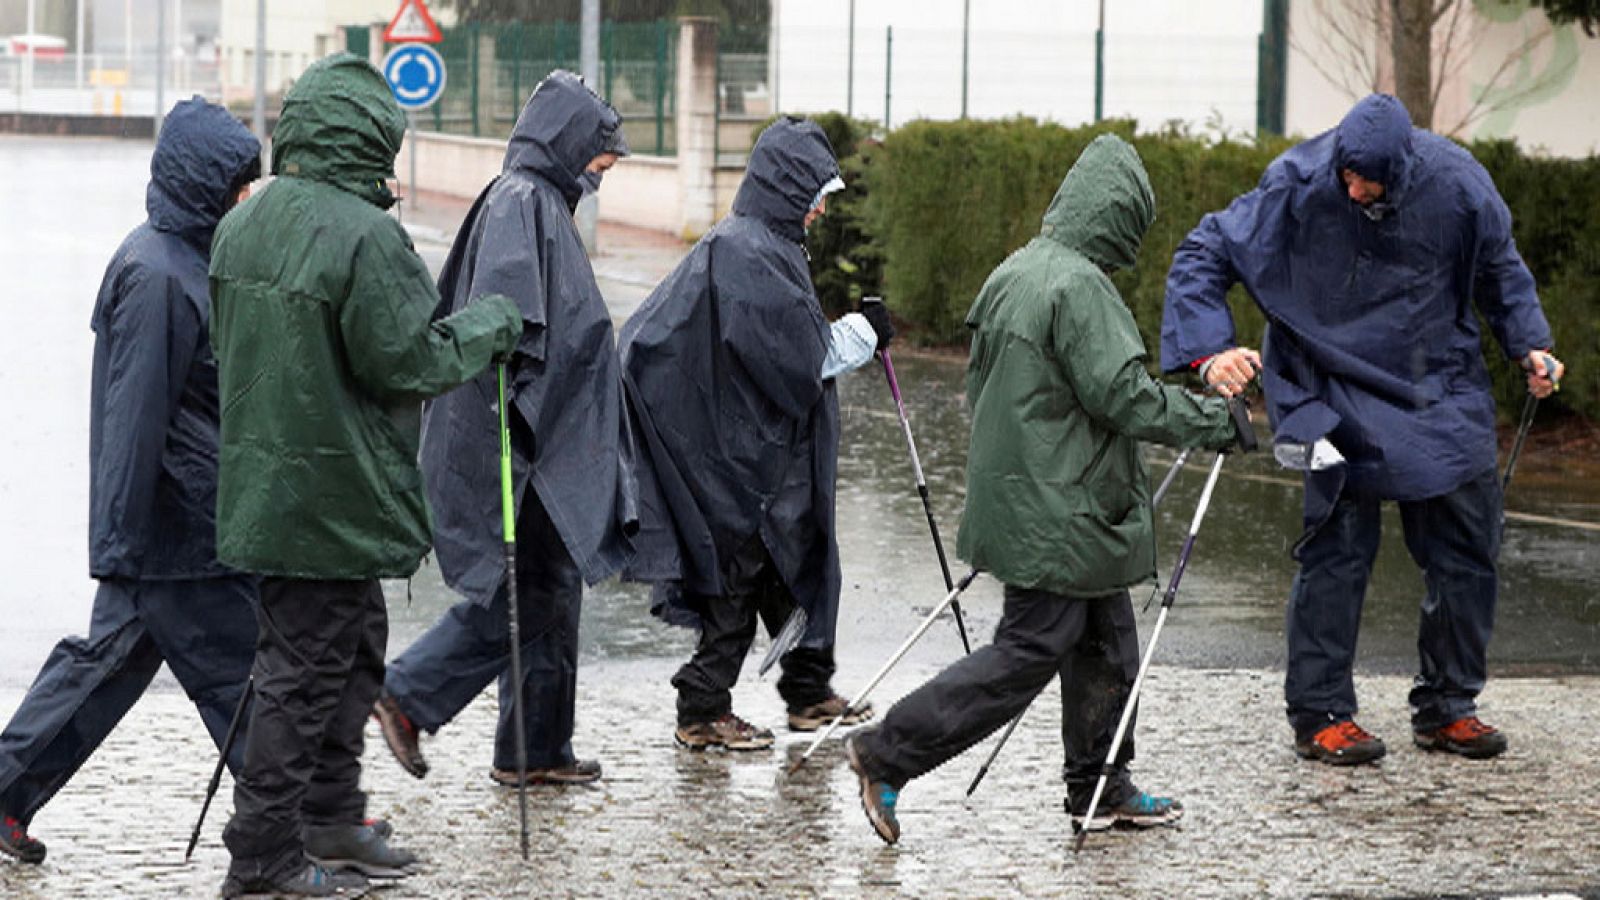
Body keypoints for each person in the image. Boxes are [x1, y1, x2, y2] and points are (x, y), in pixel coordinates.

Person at [844, 134, 1245, 845]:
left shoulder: (1017, 271)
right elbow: (1124, 397)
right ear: (1117, 217)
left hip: (1049, 505)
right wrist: (1215, 421)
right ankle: (887, 751)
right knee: (1029, 651)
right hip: (1065, 511)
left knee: (1108, 646)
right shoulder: (1081, 287)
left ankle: (1101, 786)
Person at [1159, 93, 1564, 766]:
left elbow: (1500, 271)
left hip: (1433, 380)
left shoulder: (1460, 183)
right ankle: (1320, 712)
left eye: (1367, 180)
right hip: (1322, 384)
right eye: (1345, 174)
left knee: (1469, 546)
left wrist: (1530, 344)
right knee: (1337, 549)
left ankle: (1448, 705)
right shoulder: (1299, 181)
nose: (1352, 189)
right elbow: (1206, 250)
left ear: (1403, 167)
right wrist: (1210, 352)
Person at [209, 54, 522, 898]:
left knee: (347, 657)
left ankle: (332, 815)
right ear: (366, 138)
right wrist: (492, 325)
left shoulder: (244, 222)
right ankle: (263, 858)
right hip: (333, 497)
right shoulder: (364, 233)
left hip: (276, 494)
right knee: (301, 678)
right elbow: (408, 359)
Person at [0, 98, 261, 866]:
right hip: (172, 532)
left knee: (103, 673)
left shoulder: (183, 259)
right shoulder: (157, 273)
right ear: (204, 183)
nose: (247, 197)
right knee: (242, 674)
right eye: (238, 184)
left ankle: (5, 793)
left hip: (171, 527)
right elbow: (132, 419)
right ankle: (299, 822)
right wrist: (119, 542)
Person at [372, 71, 634, 788]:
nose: (602, 171)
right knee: (532, 595)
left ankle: (535, 750)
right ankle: (409, 693)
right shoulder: (524, 202)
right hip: (529, 447)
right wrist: (522, 444)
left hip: (549, 444)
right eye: (599, 156)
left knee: (554, 589)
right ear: (567, 141)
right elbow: (506, 330)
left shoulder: (542, 200)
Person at [620, 117, 892, 751]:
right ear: (791, 186)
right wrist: (867, 331)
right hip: (740, 463)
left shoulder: (760, 242)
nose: (823, 209)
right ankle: (703, 709)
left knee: (792, 569)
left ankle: (806, 693)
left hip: (752, 453)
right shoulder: (751, 252)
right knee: (739, 586)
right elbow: (803, 355)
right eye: (818, 193)